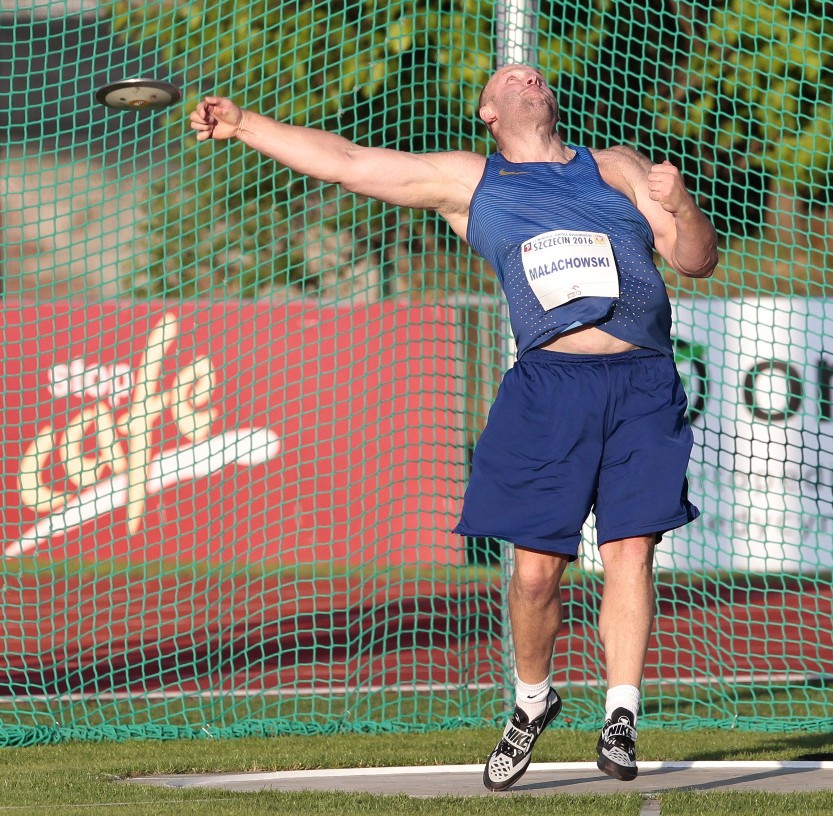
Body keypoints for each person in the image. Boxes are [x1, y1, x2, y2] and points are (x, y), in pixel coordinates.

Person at [190, 64, 718, 791]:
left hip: (641, 383)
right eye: (511, 75)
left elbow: (696, 260)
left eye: (534, 73)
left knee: (631, 552)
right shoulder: (474, 183)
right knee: (535, 577)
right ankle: (533, 703)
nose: (527, 74)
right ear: (487, 111)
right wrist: (245, 124)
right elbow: (348, 163)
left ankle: (621, 715)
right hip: (548, 391)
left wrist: (683, 205)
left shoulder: (618, 167)